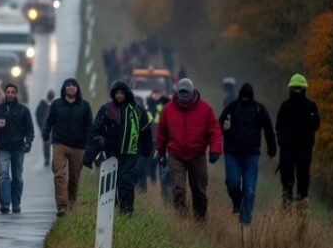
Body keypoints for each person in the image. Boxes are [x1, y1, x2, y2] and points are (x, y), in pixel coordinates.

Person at [156, 77, 221, 221]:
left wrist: (215, 150)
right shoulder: (168, 110)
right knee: (178, 189)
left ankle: (199, 221)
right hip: (176, 155)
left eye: (186, 94)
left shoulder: (205, 109)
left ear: (193, 93)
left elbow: (214, 131)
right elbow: (162, 134)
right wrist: (160, 153)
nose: (184, 98)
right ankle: (182, 220)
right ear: (177, 93)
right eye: (181, 94)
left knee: (199, 190)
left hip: (197, 155)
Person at [84, 80, 152, 214]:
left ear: (127, 94)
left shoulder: (138, 112)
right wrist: (90, 154)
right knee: (110, 186)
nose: (119, 96)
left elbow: (146, 134)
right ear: (113, 94)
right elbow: (95, 130)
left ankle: (127, 213)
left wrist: (145, 155)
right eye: (117, 93)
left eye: (122, 93)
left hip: (130, 155)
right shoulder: (106, 109)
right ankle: (109, 214)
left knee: (126, 184)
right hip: (110, 154)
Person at [219, 83, 276, 225]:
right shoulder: (232, 107)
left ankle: (245, 220)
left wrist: (272, 149)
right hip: (232, 152)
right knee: (232, 182)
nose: (245, 99)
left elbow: (268, 129)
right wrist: (222, 140)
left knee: (249, 189)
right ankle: (237, 202)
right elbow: (219, 124)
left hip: (251, 155)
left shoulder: (259, 109)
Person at [44, 77, 92, 216]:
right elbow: (49, 121)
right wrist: (46, 133)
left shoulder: (84, 106)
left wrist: (90, 144)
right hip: (60, 144)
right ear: (64, 88)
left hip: (78, 146)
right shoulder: (56, 104)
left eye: (73, 85)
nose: (71, 87)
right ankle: (62, 206)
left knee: (74, 178)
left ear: (77, 89)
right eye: (68, 85)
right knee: (59, 174)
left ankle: (71, 203)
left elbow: (89, 126)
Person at [275, 73, 321, 207]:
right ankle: (287, 216)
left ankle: (301, 218)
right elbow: (279, 126)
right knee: (287, 184)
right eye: (294, 87)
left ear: (304, 89)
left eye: (298, 88)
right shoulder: (285, 106)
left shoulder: (311, 106)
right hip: (288, 149)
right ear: (290, 88)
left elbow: (317, 125)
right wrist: (282, 141)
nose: (296, 90)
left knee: (302, 184)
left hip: (304, 149)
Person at [0, 83, 35, 214]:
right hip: (3, 147)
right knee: (4, 174)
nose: (10, 94)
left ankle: (16, 203)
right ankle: (4, 203)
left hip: (18, 147)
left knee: (17, 176)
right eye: (8, 92)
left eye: (12, 92)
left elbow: (29, 128)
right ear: (4, 94)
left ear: (16, 94)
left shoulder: (23, 110)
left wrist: (29, 141)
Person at [34, 89, 54, 167]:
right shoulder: (42, 103)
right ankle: (47, 159)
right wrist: (40, 125)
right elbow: (37, 114)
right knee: (46, 143)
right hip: (45, 128)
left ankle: (52, 159)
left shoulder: (54, 104)